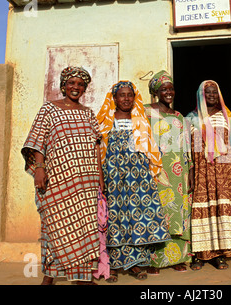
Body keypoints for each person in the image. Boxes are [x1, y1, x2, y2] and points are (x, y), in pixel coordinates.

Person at [21, 66, 103, 285]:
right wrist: (40, 168)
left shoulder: (88, 113)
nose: (75, 88)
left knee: (84, 228)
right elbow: (38, 140)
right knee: (55, 226)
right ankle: (50, 277)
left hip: (86, 182)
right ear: (64, 85)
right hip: (57, 180)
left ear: (85, 88)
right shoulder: (49, 109)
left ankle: (81, 278)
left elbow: (96, 147)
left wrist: (100, 179)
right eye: (71, 83)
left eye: (80, 84)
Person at [96, 80, 171, 282]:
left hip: (138, 177)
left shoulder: (140, 118)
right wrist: (101, 177)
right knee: (114, 217)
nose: (126, 98)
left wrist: (151, 172)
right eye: (122, 95)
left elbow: (150, 147)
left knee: (137, 217)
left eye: (130, 95)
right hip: (113, 176)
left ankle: (136, 264)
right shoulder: (105, 119)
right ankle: (110, 264)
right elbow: (97, 149)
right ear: (114, 98)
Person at [186, 80, 231, 270]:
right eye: (208, 93)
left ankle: (220, 254)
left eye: (215, 92)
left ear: (219, 94)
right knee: (202, 208)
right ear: (201, 96)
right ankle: (200, 254)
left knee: (221, 209)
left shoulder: (227, 117)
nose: (212, 96)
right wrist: (191, 169)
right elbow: (187, 148)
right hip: (201, 169)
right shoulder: (191, 117)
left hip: (224, 170)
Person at [144, 71, 193, 275]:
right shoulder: (144, 113)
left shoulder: (179, 116)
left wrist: (190, 171)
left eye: (171, 88)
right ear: (155, 92)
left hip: (177, 172)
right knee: (155, 211)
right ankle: (153, 261)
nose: (168, 92)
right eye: (164, 89)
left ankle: (177, 258)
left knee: (177, 212)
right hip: (154, 169)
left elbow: (186, 146)